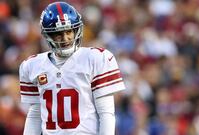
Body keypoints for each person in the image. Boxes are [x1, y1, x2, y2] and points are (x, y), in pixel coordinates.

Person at [19, 2, 125, 135]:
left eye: (69, 31)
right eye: (58, 33)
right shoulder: (31, 65)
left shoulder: (96, 58)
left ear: (77, 30)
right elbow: (35, 114)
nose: (65, 38)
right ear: (48, 35)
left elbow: (106, 113)